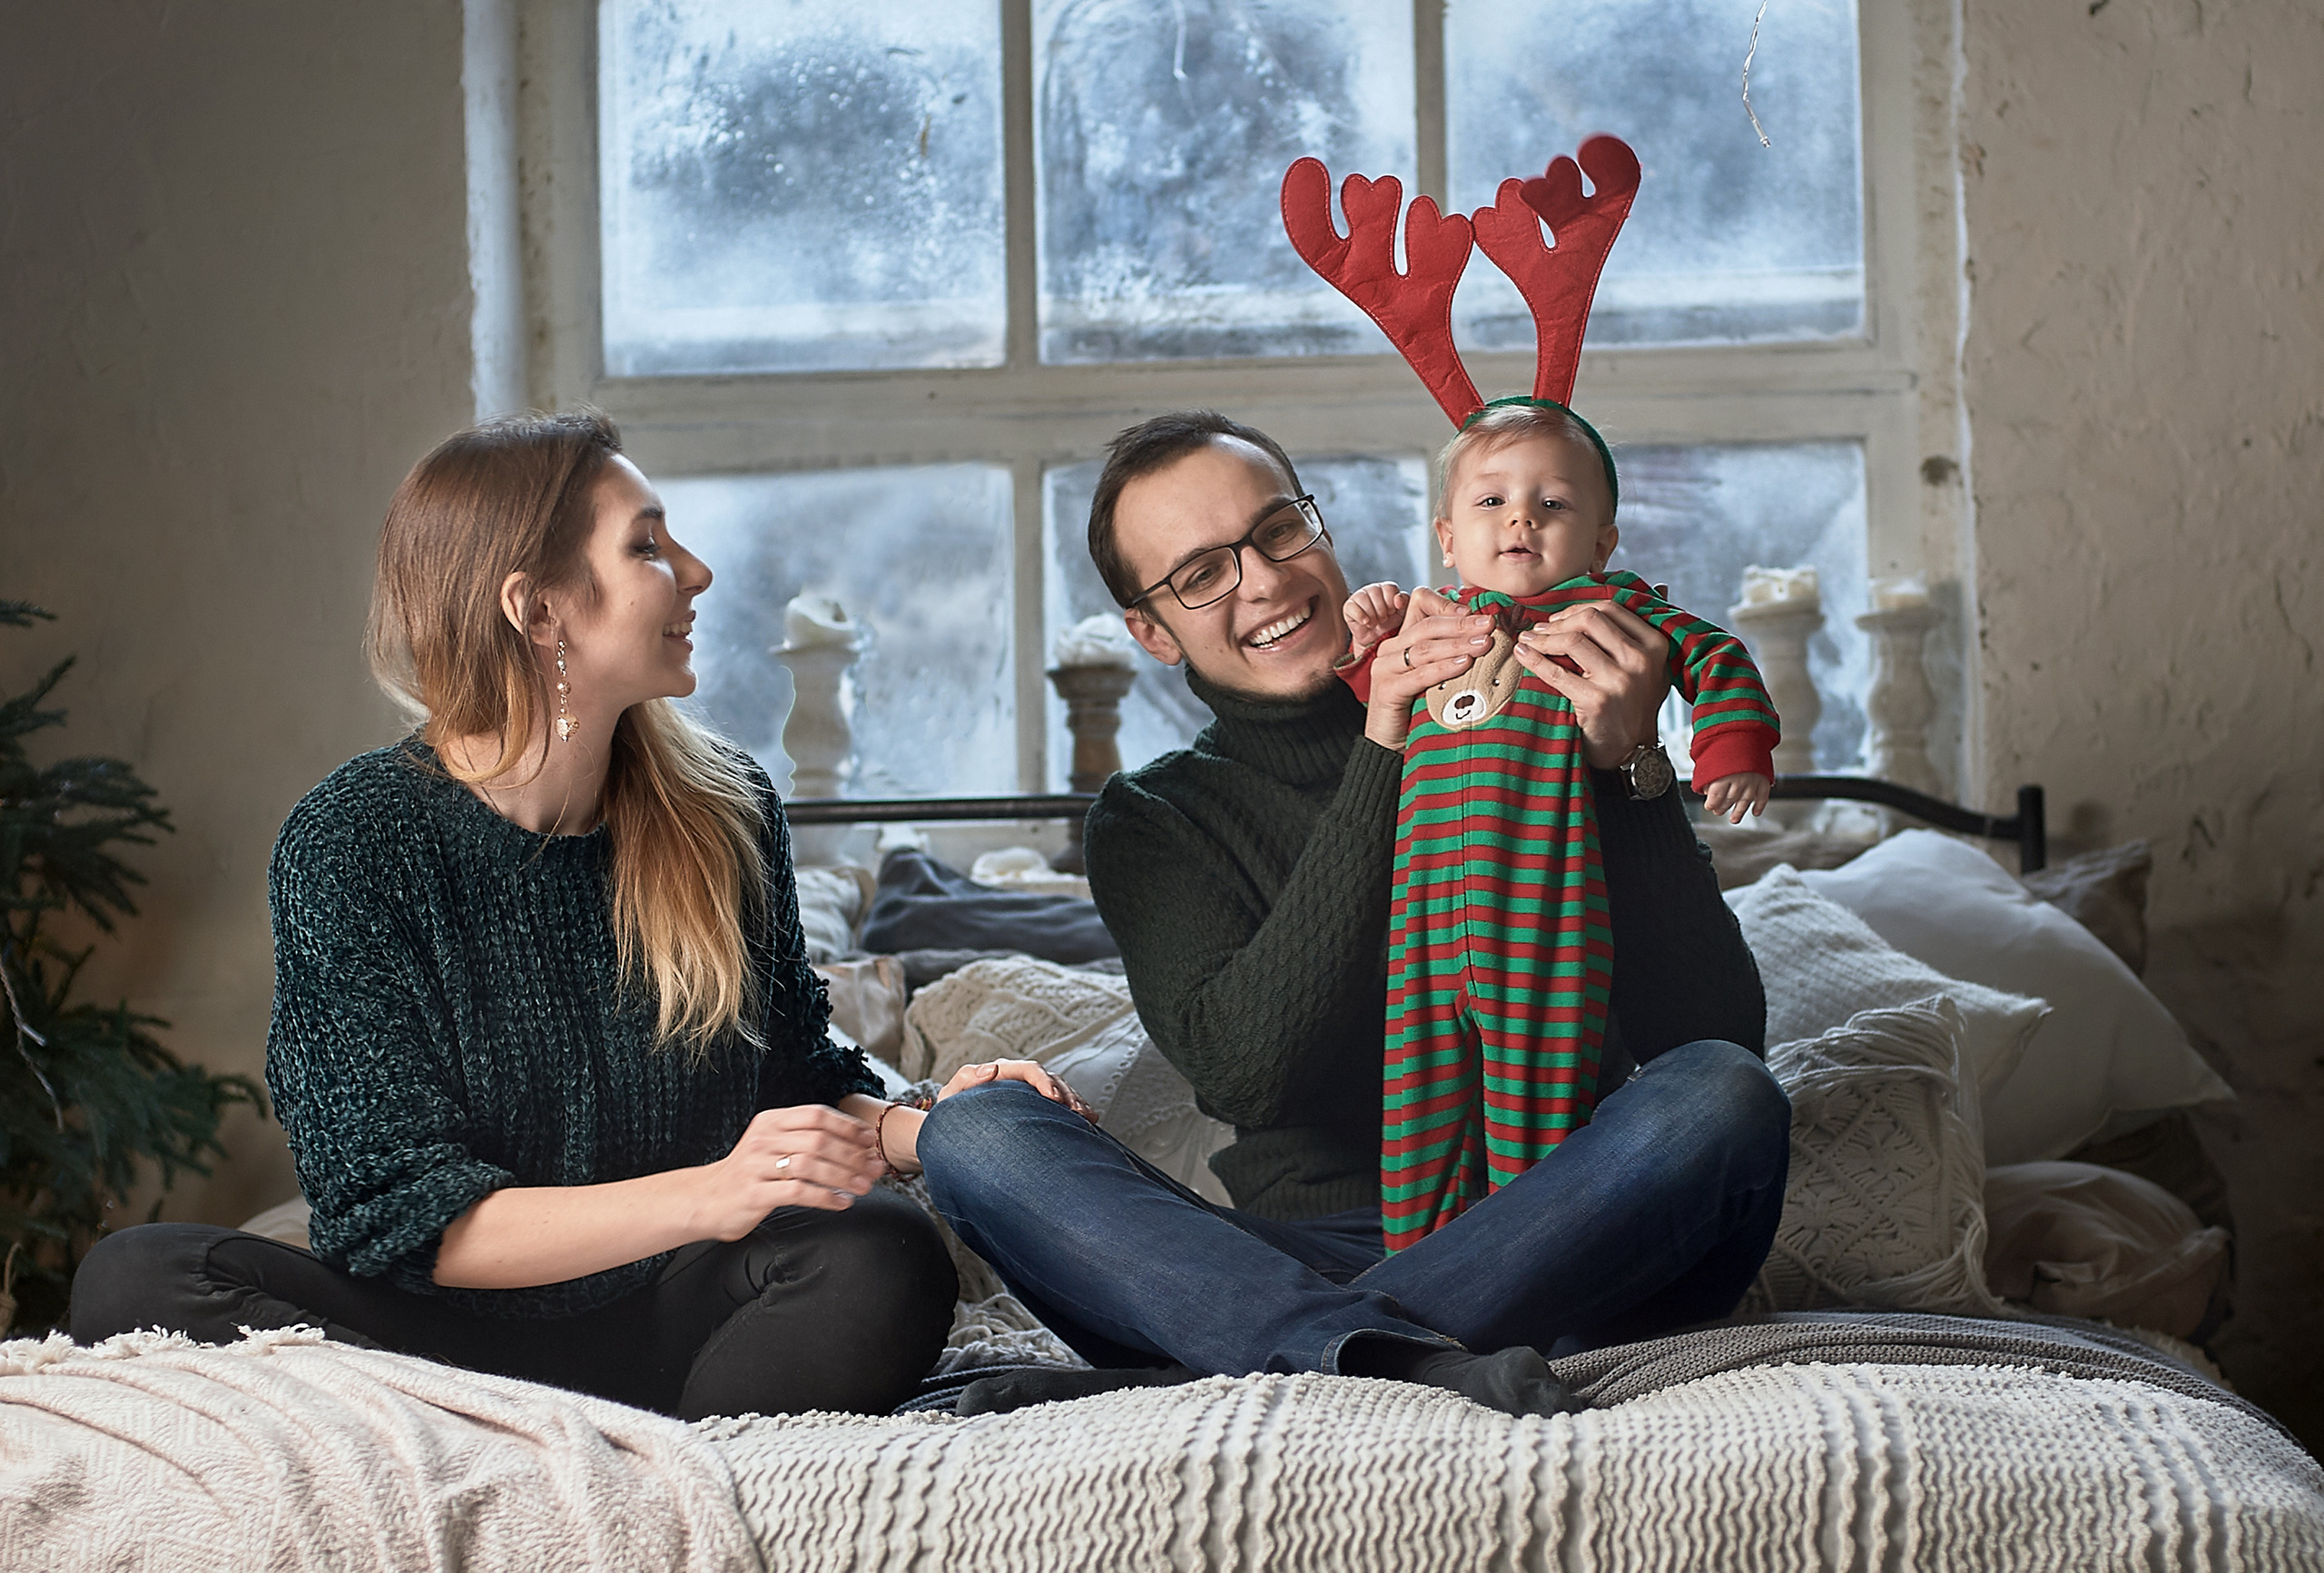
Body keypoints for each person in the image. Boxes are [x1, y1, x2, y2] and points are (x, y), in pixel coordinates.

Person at [68, 410, 1087, 1421]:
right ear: (539, 608)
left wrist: (938, 1128)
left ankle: (567, 1449)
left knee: (884, 1254)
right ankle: (567, 1442)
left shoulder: (726, 809)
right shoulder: (353, 839)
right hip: (433, 1337)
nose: (696, 572)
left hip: (680, 1315)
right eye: (646, 545)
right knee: (139, 1278)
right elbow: (397, 1216)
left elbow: (793, 1082)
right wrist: (710, 1191)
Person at [907, 410, 1791, 1419]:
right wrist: (1383, 746)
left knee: (1724, 1091)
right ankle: (1386, 1349)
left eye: (1278, 529)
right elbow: (1249, 1069)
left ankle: (1254, 1359)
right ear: (1150, 632)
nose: (1264, 581)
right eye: (1202, 574)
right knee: (975, 1133)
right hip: (1305, 1247)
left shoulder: (1532, 692)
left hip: (1570, 1219)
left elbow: (1716, 1035)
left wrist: (1630, 769)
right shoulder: (1155, 818)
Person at [1334, 397, 1777, 1251]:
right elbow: (1383, 703)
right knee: (1420, 1107)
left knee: (1535, 1110)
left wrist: (1730, 747)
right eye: (1491, 500)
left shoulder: (1611, 614)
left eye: (1554, 503)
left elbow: (1717, 656)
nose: (1522, 519)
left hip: (1543, 918)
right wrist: (1371, 642)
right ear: (1447, 537)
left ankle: (1530, 1255)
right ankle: (1413, 1264)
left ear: (1603, 543)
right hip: (1424, 929)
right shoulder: (1431, 624)